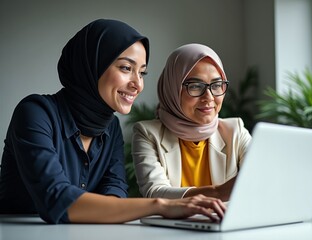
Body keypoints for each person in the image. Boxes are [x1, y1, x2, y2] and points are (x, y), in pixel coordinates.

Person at [0, 19, 225, 224]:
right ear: (92, 64)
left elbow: (115, 189)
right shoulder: (35, 112)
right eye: (126, 68)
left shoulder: (111, 126)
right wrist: (161, 206)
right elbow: (56, 199)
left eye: (142, 73)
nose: (138, 84)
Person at [132, 43, 252, 201]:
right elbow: (155, 191)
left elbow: (259, 178)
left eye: (216, 85)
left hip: (222, 223)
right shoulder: (147, 133)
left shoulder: (235, 131)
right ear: (173, 89)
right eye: (195, 86)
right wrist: (218, 193)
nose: (209, 97)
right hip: (171, 226)